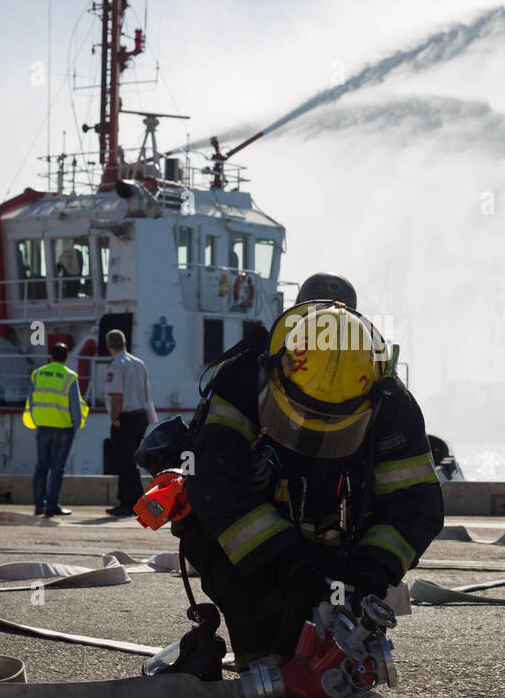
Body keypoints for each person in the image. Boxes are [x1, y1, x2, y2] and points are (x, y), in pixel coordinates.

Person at [166, 275, 443, 674]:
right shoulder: (245, 374)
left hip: (345, 553)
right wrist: (286, 559)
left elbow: (416, 504)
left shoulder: (386, 395)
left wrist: (374, 570)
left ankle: (321, 651)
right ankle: (260, 654)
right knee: (200, 522)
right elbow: (213, 482)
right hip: (255, 553)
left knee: (328, 660)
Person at [28, 342, 83, 517]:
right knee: (57, 468)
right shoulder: (69, 376)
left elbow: (31, 399)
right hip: (63, 427)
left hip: (42, 425)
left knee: (41, 467)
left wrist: (36, 419)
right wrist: (76, 425)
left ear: (50, 356)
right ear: (66, 357)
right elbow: (75, 405)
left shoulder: (37, 374)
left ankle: (38, 506)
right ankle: (52, 505)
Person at [104, 329, 155, 516]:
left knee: (124, 462)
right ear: (125, 343)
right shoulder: (139, 363)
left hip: (124, 417)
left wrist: (114, 418)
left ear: (109, 345)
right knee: (127, 460)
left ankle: (133, 501)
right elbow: (146, 395)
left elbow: (116, 396)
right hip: (140, 415)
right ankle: (124, 499)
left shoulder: (116, 365)